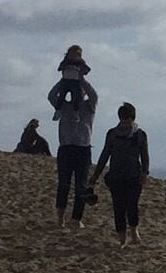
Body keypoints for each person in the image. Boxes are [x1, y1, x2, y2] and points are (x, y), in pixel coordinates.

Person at [48, 55, 98, 228]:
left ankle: (76, 219)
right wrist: (64, 80)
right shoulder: (64, 106)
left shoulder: (89, 107)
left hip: (83, 149)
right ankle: (60, 218)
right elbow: (51, 96)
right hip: (66, 148)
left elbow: (93, 95)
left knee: (81, 186)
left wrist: (81, 79)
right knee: (64, 184)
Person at [93, 102, 149, 245]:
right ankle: (122, 238)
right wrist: (95, 175)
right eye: (123, 118)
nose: (125, 121)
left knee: (132, 205)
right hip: (116, 176)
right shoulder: (112, 134)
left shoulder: (140, 135)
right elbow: (105, 154)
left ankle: (134, 232)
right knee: (118, 207)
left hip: (134, 176)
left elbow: (145, 156)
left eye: (128, 118)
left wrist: (145, 173)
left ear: (133, 118)